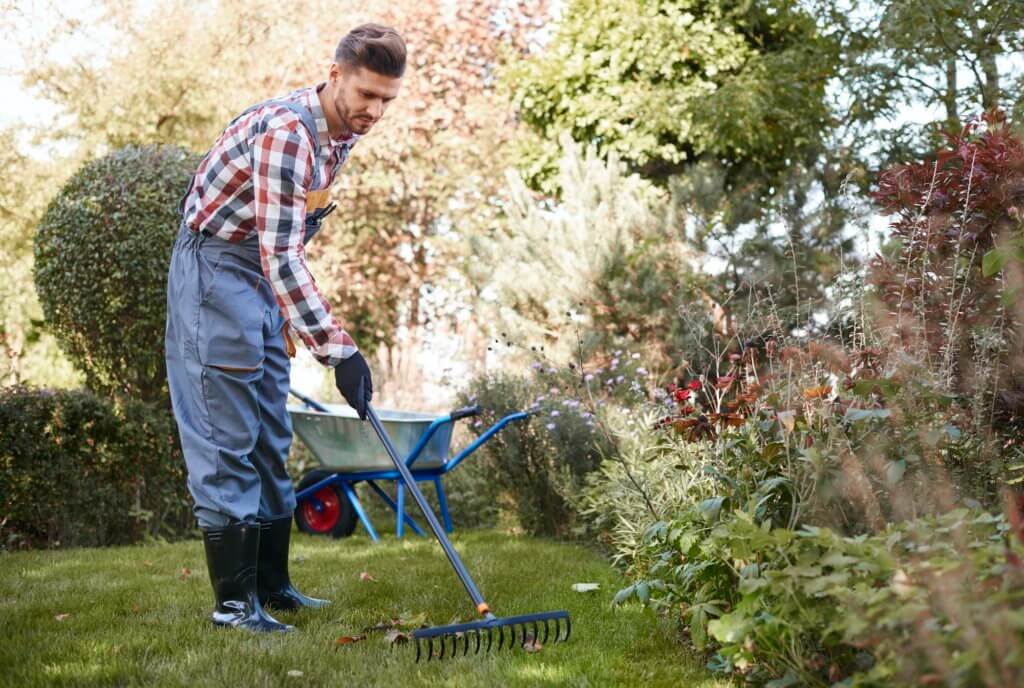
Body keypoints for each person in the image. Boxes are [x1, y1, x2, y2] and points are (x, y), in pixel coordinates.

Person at [164, 23, 405, 633]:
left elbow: (288, 239)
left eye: (386, 100)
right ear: (335, 76)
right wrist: (338, 349)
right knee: (228, 439)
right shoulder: (286, 134)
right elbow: (280, 252)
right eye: (366, 94)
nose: (374, 111)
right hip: (217, 272)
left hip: (261, 278)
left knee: (271, 437)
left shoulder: (339, 134)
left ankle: (272, 588)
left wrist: (293, 318)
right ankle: (232, 607)